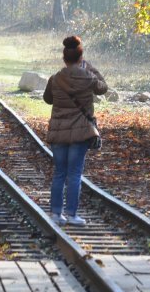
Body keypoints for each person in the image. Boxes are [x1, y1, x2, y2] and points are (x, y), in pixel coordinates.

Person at [43, 35, 107, 226]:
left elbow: (48, 99)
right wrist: (90, 67)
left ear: (64, 58)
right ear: (80, 58)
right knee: (75, 174)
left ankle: (55, 214)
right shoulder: (88, 77)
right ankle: (72, 215)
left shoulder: (55, 79)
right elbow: (103, 88)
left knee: (59, 173)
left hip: (59, 132)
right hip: (81, 133)